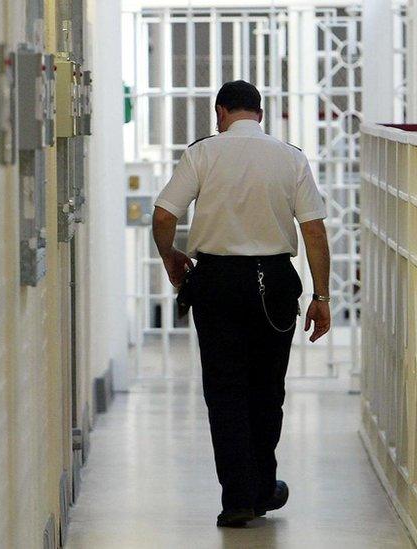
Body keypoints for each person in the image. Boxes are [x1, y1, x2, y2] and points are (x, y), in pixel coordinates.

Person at [151, 80, 331, 528]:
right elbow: (313, 230)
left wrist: (172, 258)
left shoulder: (202, 153)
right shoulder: (290, 157)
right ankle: (263, 487)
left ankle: (237, 498)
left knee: (225, 390)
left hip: (216, 282)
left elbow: (163, 215)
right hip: (274, 283)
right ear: (261, 115)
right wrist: (321, 296)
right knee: (267, 389)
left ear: (221, 112)